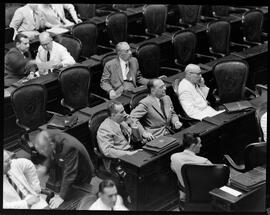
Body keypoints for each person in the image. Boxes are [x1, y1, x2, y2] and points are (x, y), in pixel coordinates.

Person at [33, 129, 95, 209]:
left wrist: (61, 197)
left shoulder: (68, 147)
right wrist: (45, 167)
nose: (42, 153)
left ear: (51, 144)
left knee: (78, 198)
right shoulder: (49, 137)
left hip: (82, 171)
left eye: (43, 150)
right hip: (67, 165)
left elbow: (70, 174)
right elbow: (52, 153)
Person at [170, 133, 212, 202]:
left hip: (185, 193)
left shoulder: (174, 157)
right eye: (199, 143)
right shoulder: (204, 161)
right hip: (202, 195)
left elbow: (174, 169)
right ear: (193, 146)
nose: (201, 145)